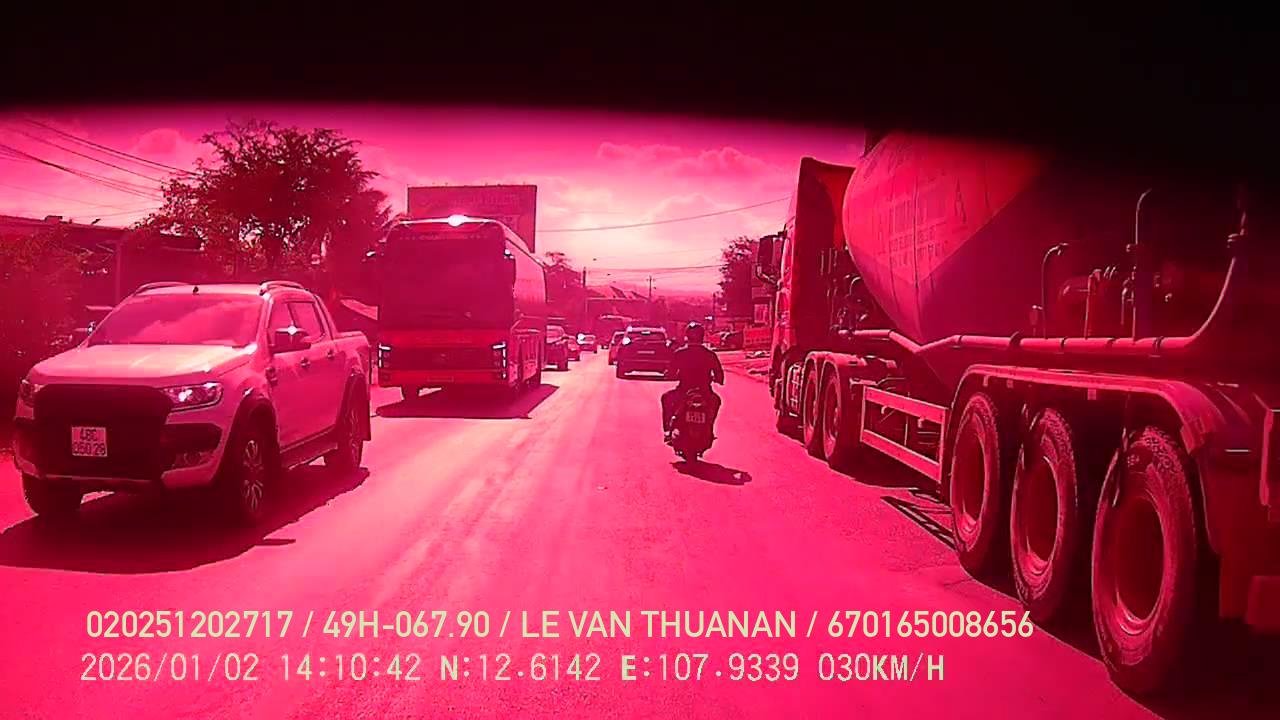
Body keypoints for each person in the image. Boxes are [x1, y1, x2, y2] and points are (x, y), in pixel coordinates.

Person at [662, 322, 725, 442]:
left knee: (666, 398)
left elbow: (670, 373)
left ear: (687, 336)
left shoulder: (680, 353)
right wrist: (717, 379)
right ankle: (709, 427)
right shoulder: (709, 354)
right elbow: (719, 376)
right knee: (716, 401)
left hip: (684, 390)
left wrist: (670, 375)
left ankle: (668, 430)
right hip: (705, 392)